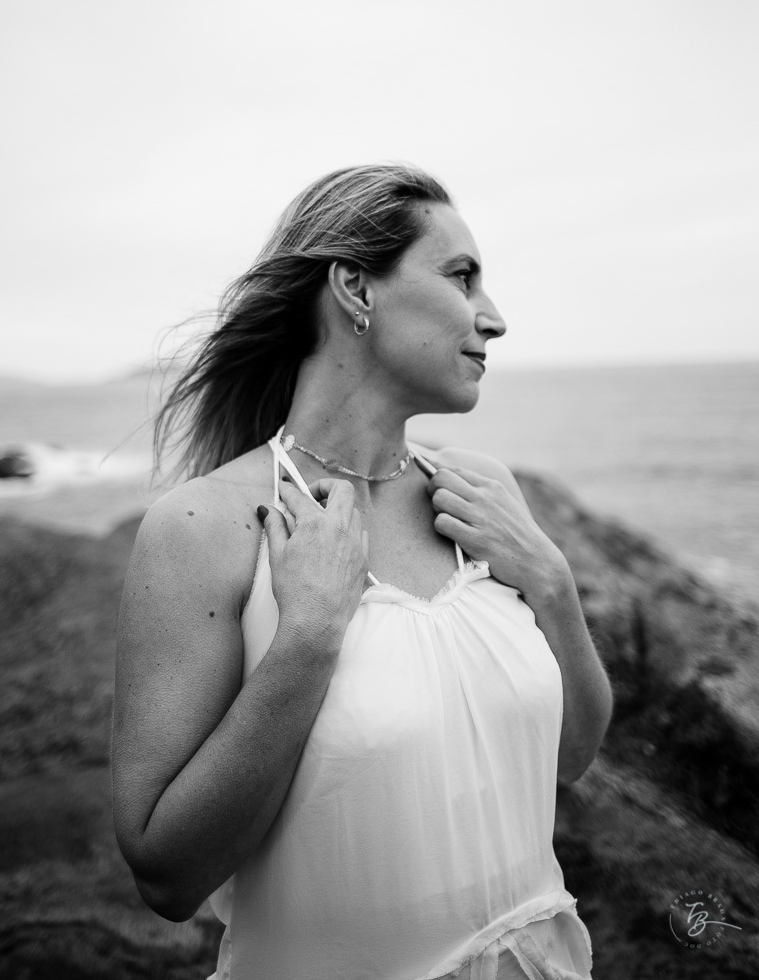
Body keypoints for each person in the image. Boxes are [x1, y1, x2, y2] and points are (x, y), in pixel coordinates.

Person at [111, 162, 613, 980]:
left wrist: (552, 584)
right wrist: (307, 638)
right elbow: (165, 874)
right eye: (461, 277)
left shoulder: (478, 495)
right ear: (356, 288)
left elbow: (570, 755)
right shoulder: (204, 527)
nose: (495, 318)